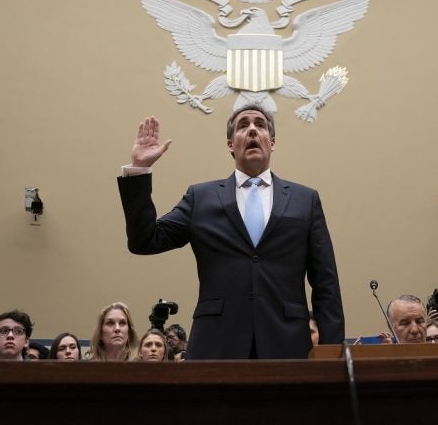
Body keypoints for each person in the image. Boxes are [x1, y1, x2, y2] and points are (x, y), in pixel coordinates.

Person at [117, 106, 345, 359]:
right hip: (216, 343)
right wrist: (139, 169)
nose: (252, 130)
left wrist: (332, 352)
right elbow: (144, 240)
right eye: (242, 125)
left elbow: (326, 283)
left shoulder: (305, 200)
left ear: (272, 142)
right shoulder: (201, 198)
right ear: (230, 144)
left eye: (260, 125)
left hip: (287, 343)